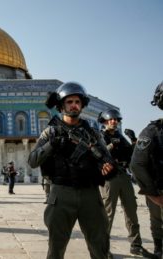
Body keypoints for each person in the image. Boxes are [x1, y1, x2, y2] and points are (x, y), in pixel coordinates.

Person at [28, 82, 115, 259]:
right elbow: (33, 160)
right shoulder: (50, 132)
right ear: (61, 105)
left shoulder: (92, 133)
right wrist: (52, 145)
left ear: (82, 105)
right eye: (69, 102)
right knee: (56, 247)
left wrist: (108, 168)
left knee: (99, 245)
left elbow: (107, 158)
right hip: (61, 193)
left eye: (77, 101)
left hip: (89, 193)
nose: (74, 105)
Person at [97, 109, 155, 258]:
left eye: (116, 120)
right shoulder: (100, 136)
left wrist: (134, 141)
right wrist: (110, 146)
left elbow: (131, 155)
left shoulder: (119, 136)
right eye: (111, 119)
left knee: (131, 210)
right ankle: (103, 248)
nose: (114, 122)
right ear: (104, 121)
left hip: (123, 175)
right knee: (108, 213)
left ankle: (136, 245)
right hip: (110, 177)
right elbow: (97, 154)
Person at [130, 81, 163, 259]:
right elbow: (137, 164)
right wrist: (153, 194)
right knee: (158, 223)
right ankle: (159, 249)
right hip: (160, 190)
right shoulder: (153, 131)